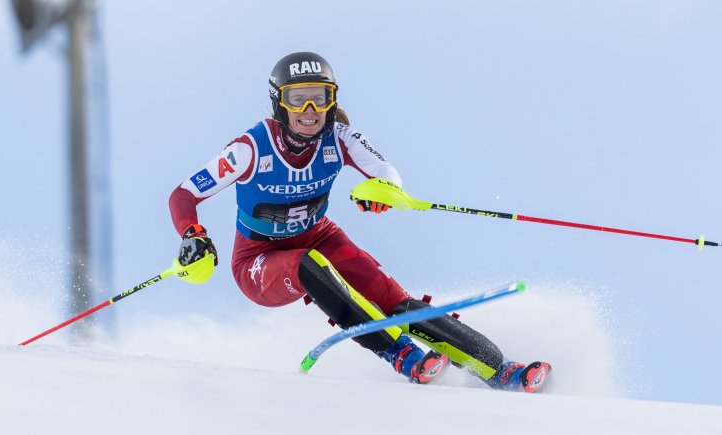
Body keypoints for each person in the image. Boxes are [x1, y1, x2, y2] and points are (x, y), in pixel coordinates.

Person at [169, 51, 551, 392]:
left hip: (319, 236)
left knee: (392, 299)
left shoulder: (340, 137)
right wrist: (193, 234)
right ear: (279, 103)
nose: (309, 111)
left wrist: (382, 190)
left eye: (319, 98)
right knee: (309, 265)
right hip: (258, 259)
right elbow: (184, 195)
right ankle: (400, 353)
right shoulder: (250, 148)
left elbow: (385, 171)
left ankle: (499, 370)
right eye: (297, 99)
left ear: (331, 100)